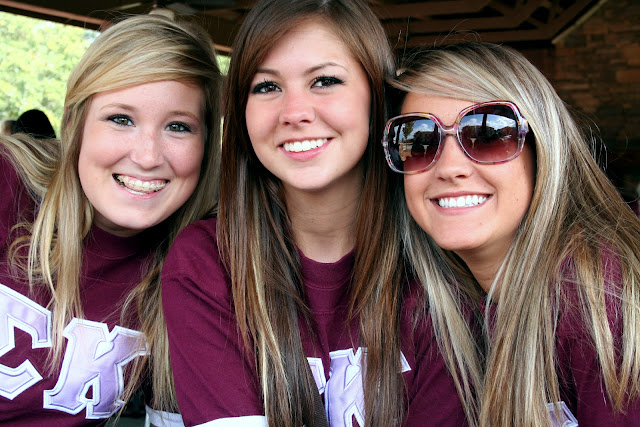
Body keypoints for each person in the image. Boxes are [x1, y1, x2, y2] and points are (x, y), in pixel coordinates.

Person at [162, 0, 473, 426]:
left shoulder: (442, 256)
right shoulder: (207, 261)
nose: (294, 113)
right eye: (266, 87)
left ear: (377, 98)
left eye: (325, 81)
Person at [383, 42, 640, 426]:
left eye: (488, 134)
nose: (450, 168)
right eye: (420, 141)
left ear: (542, 148)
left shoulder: (602, 295)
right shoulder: (439, 309)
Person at [0, 14, 222, 425]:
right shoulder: (8, 182)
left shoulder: (200, 267)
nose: (148, 156)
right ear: (75, 123)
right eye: (121, 119)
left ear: (206, 146)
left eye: (178, 127)